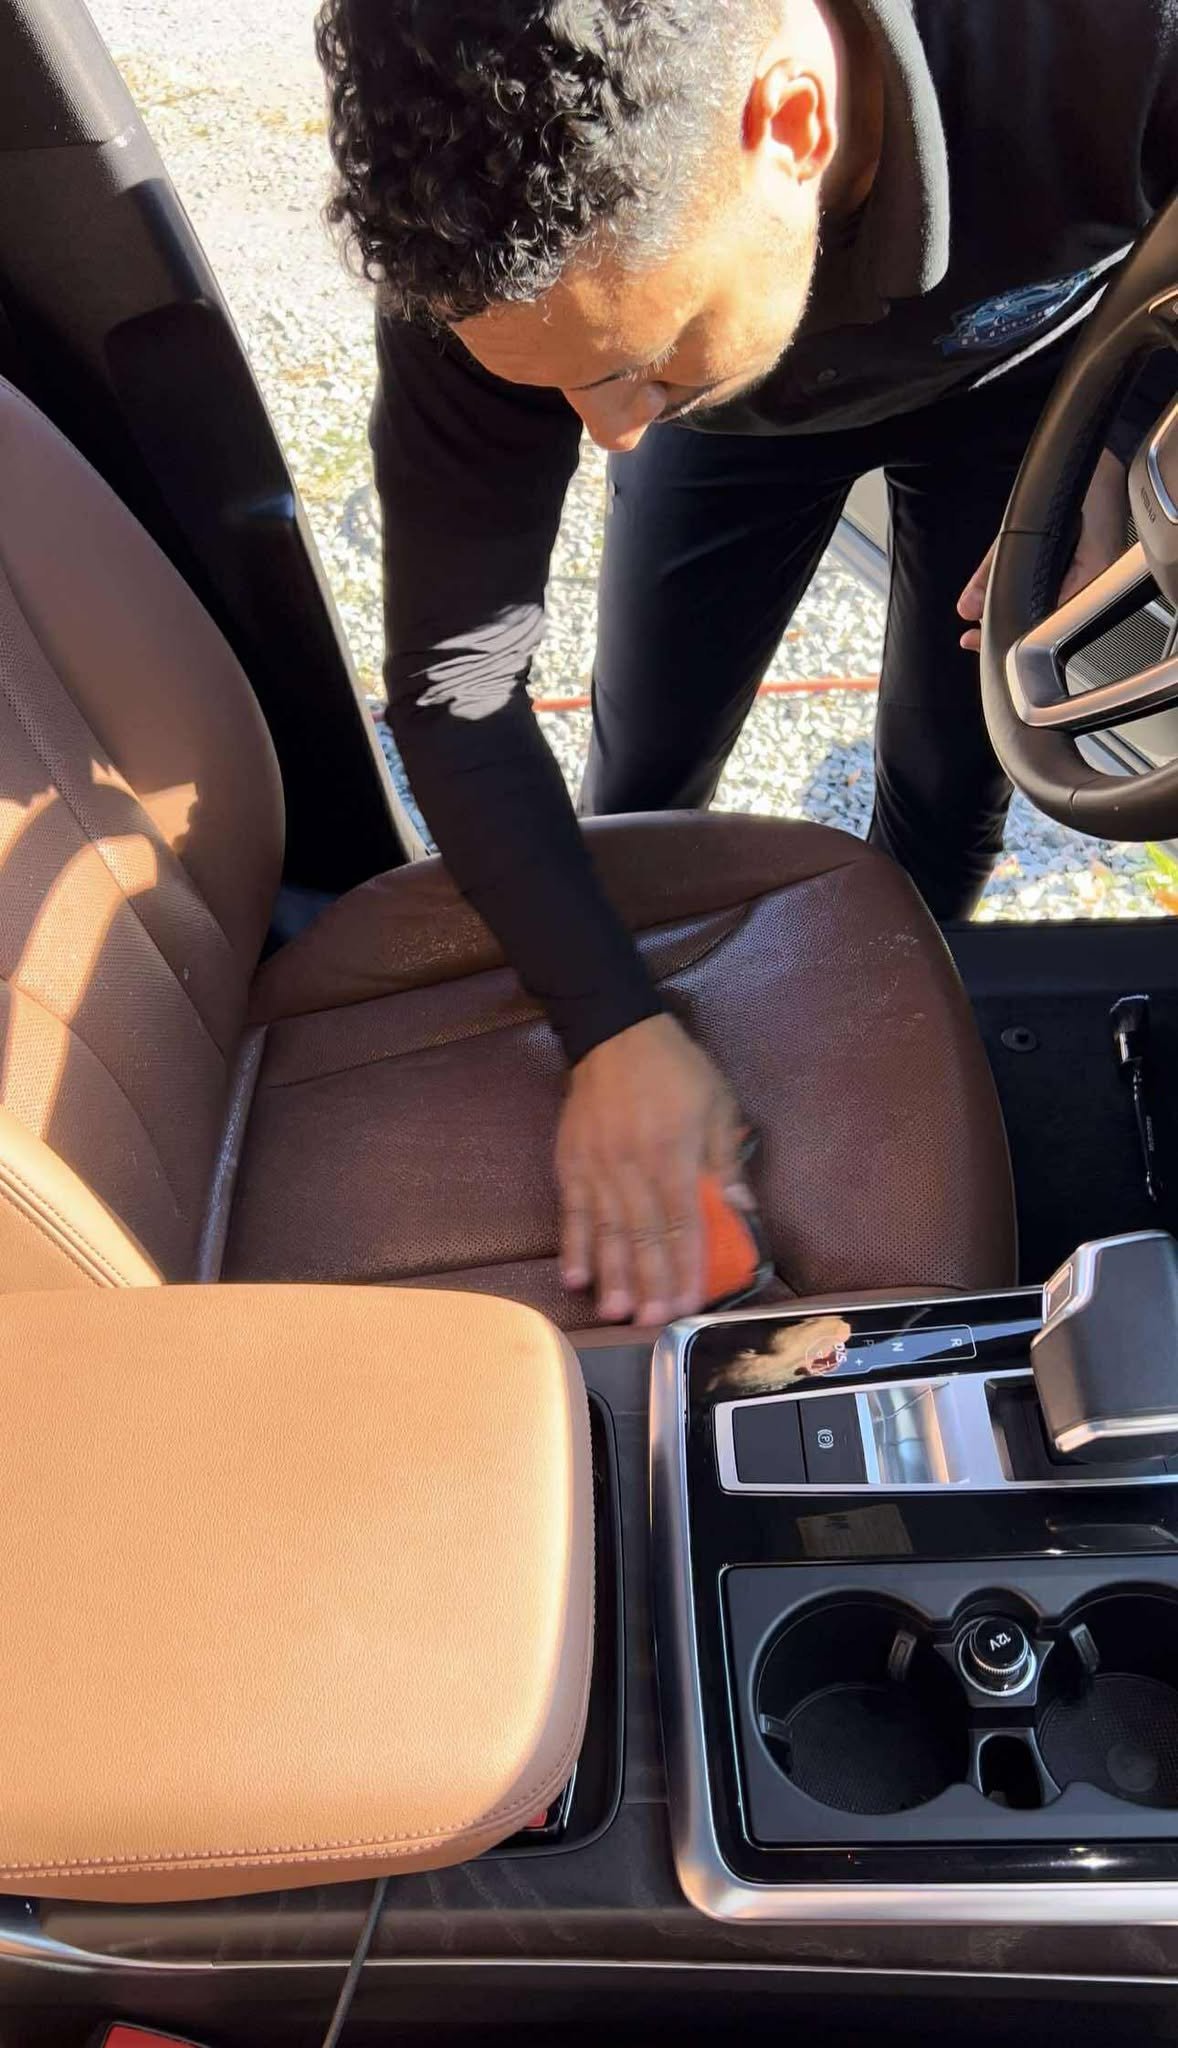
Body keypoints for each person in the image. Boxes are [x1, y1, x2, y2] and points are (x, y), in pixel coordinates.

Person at [315, 0, 1178, 1325]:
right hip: (736, 426)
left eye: (628, 364)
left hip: (1027, 376)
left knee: (951, 770)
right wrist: (608, 1022)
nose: (607, 436)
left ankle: (913, 994)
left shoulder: (1108, 34)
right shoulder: (490, 241)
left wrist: (1126, 444)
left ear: (790, 121)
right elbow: (455, 692)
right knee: (644, 771)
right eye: (553, 385)